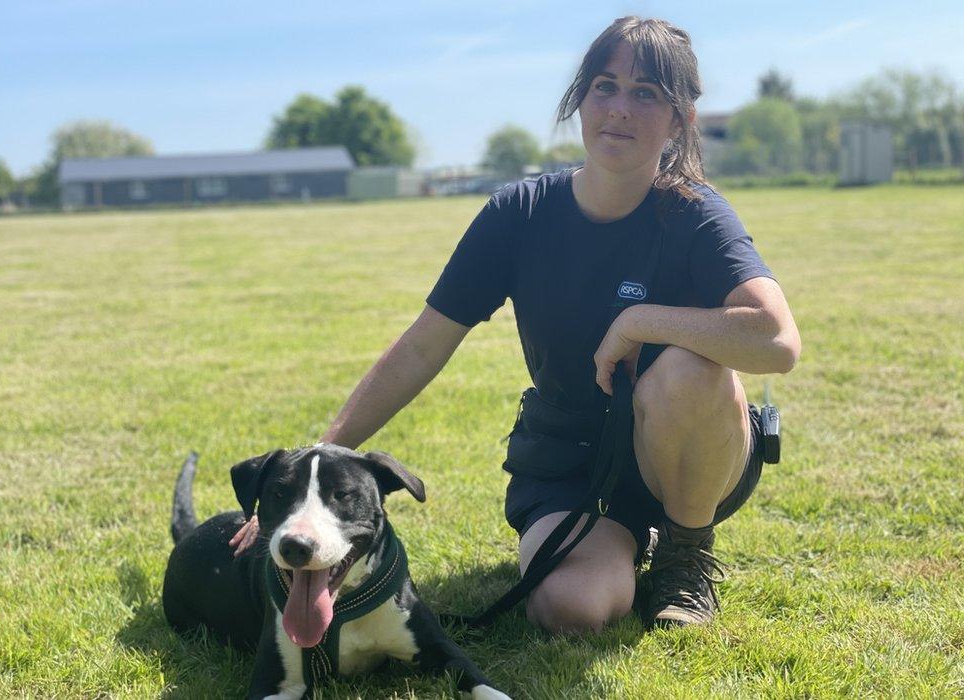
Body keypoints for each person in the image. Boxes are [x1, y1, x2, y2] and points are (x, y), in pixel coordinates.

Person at [230, 16, 801, 634]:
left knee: (688, 366)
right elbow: (423, 347)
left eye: (646, 94)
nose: (620, 110)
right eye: (605, 86)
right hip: (568, 458)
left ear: (680, 118)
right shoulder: (519, 214)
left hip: (683, 454)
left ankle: (685, 554)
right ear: (580, 99)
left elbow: (776, 339)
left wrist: (641, 321)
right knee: (572, 611)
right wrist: (316, 468)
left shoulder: (693, 213)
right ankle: (619, 548)